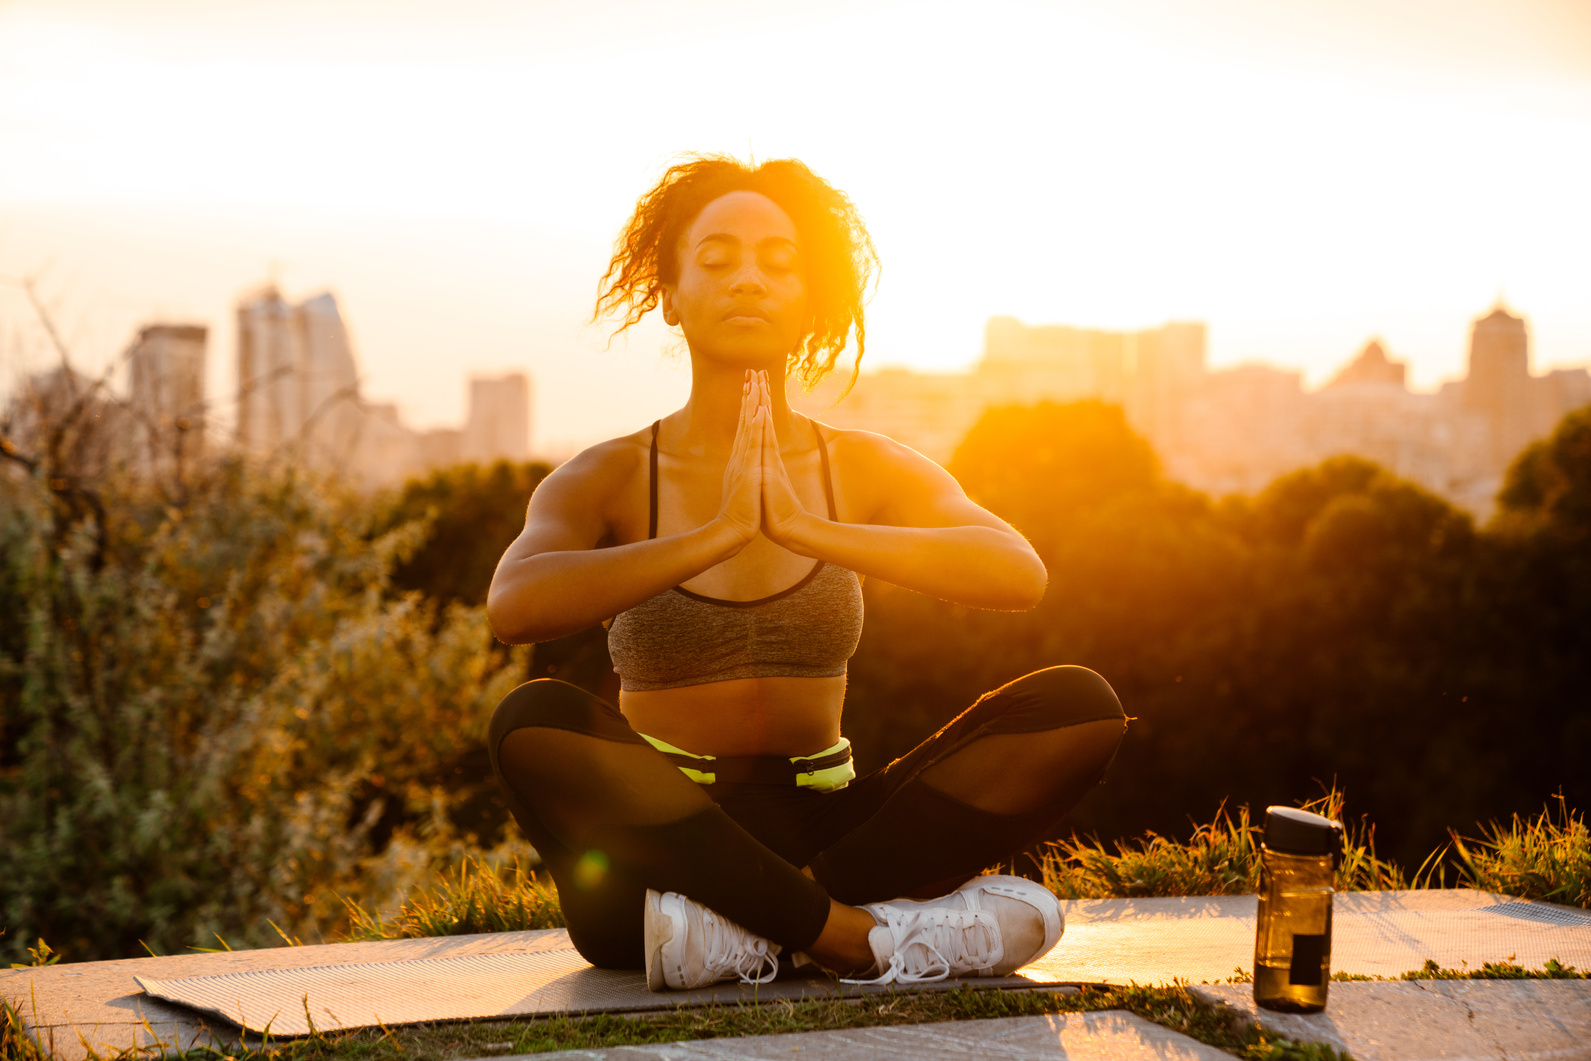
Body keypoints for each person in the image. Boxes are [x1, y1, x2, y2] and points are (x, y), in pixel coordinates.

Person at [485, 155, 1128, 990]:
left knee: (1080, 706)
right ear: (671, 296)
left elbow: (1015, 571)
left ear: (808, 299)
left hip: (835, 827)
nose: (747, 280)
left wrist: (808, 526)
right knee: (530, 717)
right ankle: (864, 938)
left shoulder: (860, 467)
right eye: (715, 260)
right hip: (667, 847)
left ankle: (762, 930)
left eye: (778, 263)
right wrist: (712, 535)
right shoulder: (607, 475)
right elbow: (515, 603)